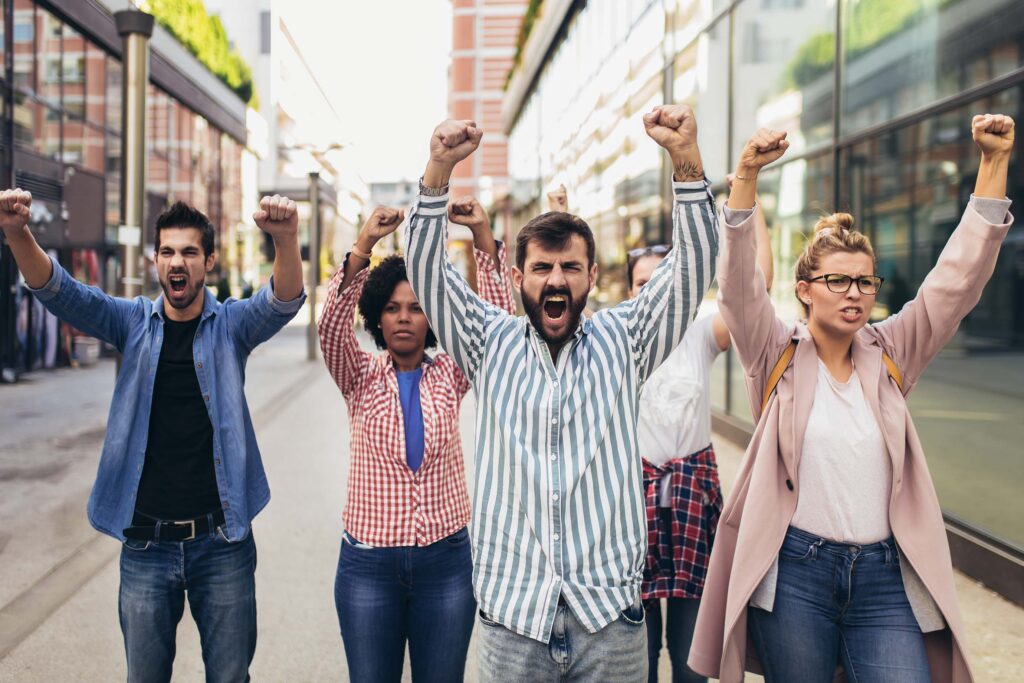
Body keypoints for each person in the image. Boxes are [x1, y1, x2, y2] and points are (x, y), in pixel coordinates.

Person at [688, 114, 1015, 683]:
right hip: (795, 574)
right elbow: (739, 287)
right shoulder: (775, 352)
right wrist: (745, 177)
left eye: (865, 281)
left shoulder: (891, 351)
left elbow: (953, 283)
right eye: (837, 280)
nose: (854, 294)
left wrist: (992, 164)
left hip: (884, 576)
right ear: (806, 290)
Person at [405, 104, 719, 682]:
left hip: (608, 620)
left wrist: (685, 161)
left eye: (570, 268)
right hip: (512, 619)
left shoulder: (627, 339)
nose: (556, 280)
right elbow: (425, 269)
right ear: (517, 277)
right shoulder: (485, 341)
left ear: (592, 276)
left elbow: (693, 267)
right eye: (542, 267)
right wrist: (437, 170)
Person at [0, 190, 306, 682]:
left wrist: (286, 240)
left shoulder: (229, 326)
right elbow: (61, 292)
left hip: (221, 540)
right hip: (146, 544)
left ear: (208, 260)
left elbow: (282, 301)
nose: (177, 262)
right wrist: (17, 233)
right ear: (155, 261)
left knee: (229, 677)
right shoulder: (133, 323)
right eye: (167, 252)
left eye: (188, 252)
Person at [317, 198, 514, 682]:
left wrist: (482, 238)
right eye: (391, 308)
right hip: (368, 565)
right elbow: (330, 326)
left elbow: (499, 327)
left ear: (432, 318)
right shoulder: (357, 374)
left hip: (446, 565)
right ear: (378, 318)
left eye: (416, 308)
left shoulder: (452, 372)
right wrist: (364, 245)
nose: (403, 318)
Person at [628, 174, 772, 683]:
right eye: (640, 283)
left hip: (692, 500)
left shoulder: (698, 334)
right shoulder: (615, 340)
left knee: (691, 659)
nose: (649, 293)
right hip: (631, 504)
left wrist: (749, 202)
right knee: (635, 657)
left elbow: (757, 289)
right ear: (628, 290)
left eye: (658, 281)